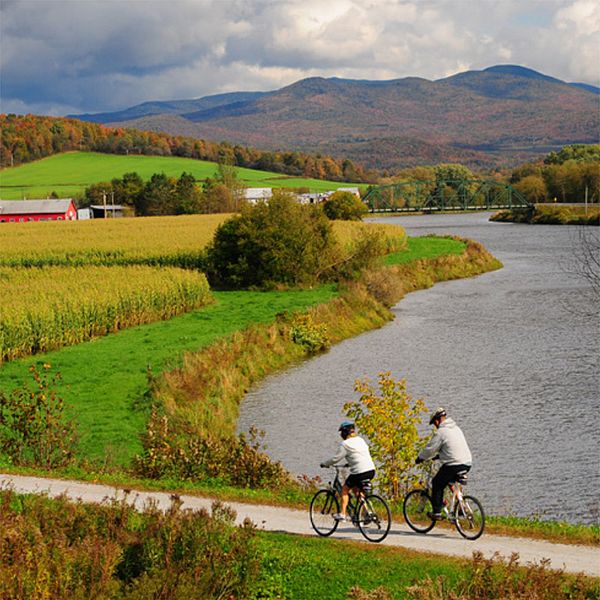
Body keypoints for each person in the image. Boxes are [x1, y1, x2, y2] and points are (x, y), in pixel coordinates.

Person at [416, 407, 472, 520]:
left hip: (454, 464)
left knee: (437, 483)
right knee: (450, 481)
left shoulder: (441, 432)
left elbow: (430, 449)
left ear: (437, 421)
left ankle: (436, 512)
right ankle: (461, 506)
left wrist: (420, 458)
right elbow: (452, 448)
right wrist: (440, 456)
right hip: (467, 462)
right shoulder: (456, 428)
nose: (435, 426)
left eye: (434, 424)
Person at [320, 420, 376, 521]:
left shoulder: (345, 444)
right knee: (355, 490)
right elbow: (359, 455)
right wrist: (349, 464)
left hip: (359, 472)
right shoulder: (361, 440)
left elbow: (335, 459)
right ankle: (368, 512)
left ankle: (342, 514)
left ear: (345, 432)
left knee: (345, 489)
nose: (341, 435)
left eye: (342, 432)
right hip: (371, 470)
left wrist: (324, 464)